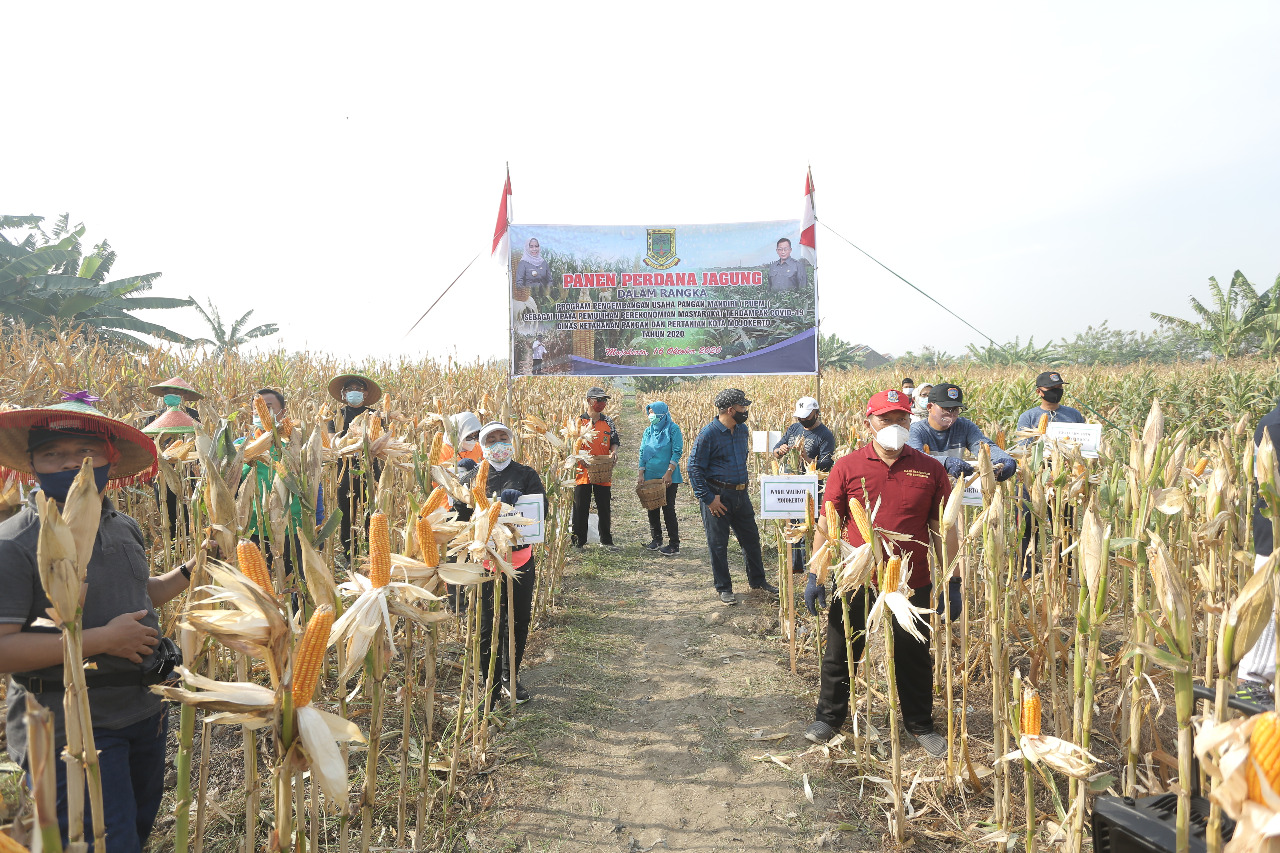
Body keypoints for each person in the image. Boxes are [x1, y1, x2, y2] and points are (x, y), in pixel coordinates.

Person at [0, 392, 203, 851]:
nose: (71, 466)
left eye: (85, 454)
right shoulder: (14, 542)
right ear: (32, 463)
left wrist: (190, 571)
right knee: (103, 843)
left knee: (135, 828)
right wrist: (103, 640)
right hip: (68, 724)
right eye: (53, 455)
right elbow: (4, 648)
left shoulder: (121, 524)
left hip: (142, 710)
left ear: (109, 459)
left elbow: (139, 592)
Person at [803, 390, 956, 757]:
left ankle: (920, 724)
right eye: (885, 419)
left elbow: (942, 529)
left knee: (914, 653)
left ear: (910, 421)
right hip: (857, 577)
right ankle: (829, 717)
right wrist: (816, 574)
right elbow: (828, 523)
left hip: (910, 579)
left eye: (902, 419)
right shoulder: (847, 466)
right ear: (867, 422)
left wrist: (953, 581)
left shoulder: (930, 468)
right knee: (842, 648)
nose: (895, 426)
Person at [471, 421, 545, 706]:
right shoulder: (476, 475)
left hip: (520, 560)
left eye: (503, 438)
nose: (498, 444)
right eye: (492, 440)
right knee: (488, 623)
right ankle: (487, 682)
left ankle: (510, 676)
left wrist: (520, 501)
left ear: (511, 442)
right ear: (482, 445)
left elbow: (542, 509)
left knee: (517, 620)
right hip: (487, 562)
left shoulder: (526, 474)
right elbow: (464, 513)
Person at [686, 388, 778, 604]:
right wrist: (708, 498)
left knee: (751, 539)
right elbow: (694, 467)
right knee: (718, 544)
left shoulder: (742, 430)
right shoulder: (708, 434)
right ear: (730, 409)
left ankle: (758, 581)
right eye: (742, 407)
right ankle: (724, 587)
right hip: (718, 496)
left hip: (740, 494)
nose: (745, 410)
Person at [1016, 371, 1084, 576]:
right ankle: (1027, 570)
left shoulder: (1073, 415)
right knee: (1028, 523)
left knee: (1065, 523)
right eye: (1052, 390)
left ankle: (1066, 569)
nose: (1057, 392)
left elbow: (1083, 446)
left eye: (1059, 389)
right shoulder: (1029, 416)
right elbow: (1023, 449)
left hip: (1065, 477)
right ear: (1039, 392)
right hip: (1037, 476)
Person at [326, 373, 385, 565]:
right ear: (343, 394)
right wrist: (353, 444)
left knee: (371, 513)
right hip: (346, 471)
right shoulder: (337, 416)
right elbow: (333, 442)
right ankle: (349, 552)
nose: (354, 393)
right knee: (346, 514)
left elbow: (379, 442)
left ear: (365, 393)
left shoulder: (374, 415)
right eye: (350, 389)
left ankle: (370, 552)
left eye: (358, 389)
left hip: (370, 470)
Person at [772, 396, 836, 574]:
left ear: (816, 412)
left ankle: (810, 566)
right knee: (791, 526)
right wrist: (780, 450)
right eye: (800, 417)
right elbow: (776, 449)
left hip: (810, 488)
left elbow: (825, 464)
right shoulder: (794, 428)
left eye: (807, 416)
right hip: (789, 484)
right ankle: (795, 567)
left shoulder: (825, 435)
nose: (803, 420)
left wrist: (805, 458)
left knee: (807, 525)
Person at [143, 377, 202, 541]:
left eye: (176, 392)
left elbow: (201, 443)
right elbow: (147, 446)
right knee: (167, 513)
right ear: (163, 395)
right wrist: (149, 471)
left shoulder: (194, 416)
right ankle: (172, 545)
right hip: (162, 472)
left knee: (187, 512)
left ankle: (189, 546)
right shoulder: (154, 418)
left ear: (183, 394)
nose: (172, 395)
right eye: (169, 392)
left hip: (188, 471)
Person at [571, 387, 620, 550]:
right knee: (580, 508)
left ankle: (606, 540)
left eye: (604, 400)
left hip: (602, 470)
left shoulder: (608, 422)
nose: (602, 403)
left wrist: (614, 453)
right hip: (582, 472)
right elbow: (572, 445)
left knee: (604, 506)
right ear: (588, 401)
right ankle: (578, 541)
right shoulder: (579, 421)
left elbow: (614, 441)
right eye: (598, 400)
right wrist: (579, 458)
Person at [637, 401, 683, 555]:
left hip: (668, 476)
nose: (651, 416)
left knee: (668, 508)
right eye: (649, 413)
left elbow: (677, 451)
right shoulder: (648, 431)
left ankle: (674, 543)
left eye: (653, 413)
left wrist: (669, 471)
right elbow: (642, 452)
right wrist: (641, 473)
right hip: (651, 474)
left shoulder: (673, 429)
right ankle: (656, 539)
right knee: (652, 507)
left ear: (662, 414)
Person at [1015, 370, 1085, 433]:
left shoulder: (1074, 414)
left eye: (1059, 387)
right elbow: (1024, 445)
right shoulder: (1028, 417)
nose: (1056, 391)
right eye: (1051, 388)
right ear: (1039, 391)